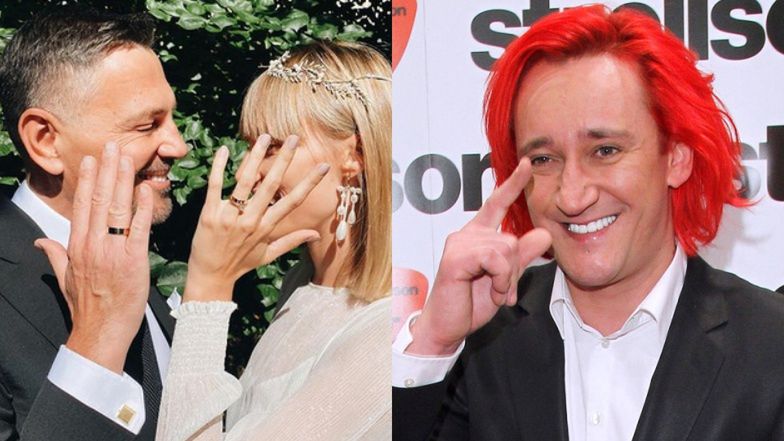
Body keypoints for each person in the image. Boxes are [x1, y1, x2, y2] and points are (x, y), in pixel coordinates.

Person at [392, 5, 784, 441]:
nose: (572, 196)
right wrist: (433, 343)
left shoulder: (771, 345)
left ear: (675, 158)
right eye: (544, 159)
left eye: (605, 151)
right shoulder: (477, 345)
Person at [148, 41, 392, 441]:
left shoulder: (382, 333)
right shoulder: (302, 282)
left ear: (356, 154)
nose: (248, 170)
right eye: (250, 147)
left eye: (272, 147)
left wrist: (207, 289)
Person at [0, 9, 187, 441]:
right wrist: (97, 345)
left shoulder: (128, 259)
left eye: (172, 119)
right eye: (147, 125)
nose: (178, 145)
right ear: (45, 141)